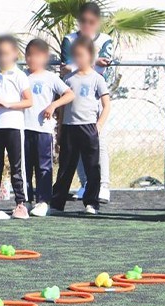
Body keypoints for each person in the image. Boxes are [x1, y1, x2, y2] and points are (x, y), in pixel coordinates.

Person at [60, 1, 114, 204]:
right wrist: (92, 61)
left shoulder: (105, 39)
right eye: (83, 21)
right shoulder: (70, 39)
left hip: (95, 95)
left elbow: (104, 65)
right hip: (74, 96)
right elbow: (66, 67)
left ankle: (103, 185)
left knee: (99, 141)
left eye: (91, 22)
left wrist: (83, 63)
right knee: (77, 145)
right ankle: (85, 184)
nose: (87, 26)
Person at [51, 36, 111, 215]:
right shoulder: (68, 79)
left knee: (92, 167)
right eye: (76, 55)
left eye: (82, 55)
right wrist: (60, 128)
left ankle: (91, 203)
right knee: (65, 167)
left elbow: (106, 105)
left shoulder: (97, 79)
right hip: (70, 127)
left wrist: (98, 125)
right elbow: (62, 107)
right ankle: (57, 204)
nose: (79, 59)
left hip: (89, 127)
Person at [0, 35, 33, 220]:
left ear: (15, 54)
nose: (3, 57)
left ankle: (20, 204)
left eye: (7, 53)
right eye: (0, 53)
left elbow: (28, 101)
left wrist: (8, 104)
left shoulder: (19, 76)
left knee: (16, 167)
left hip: (14, 127)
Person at [24, 38, 75, 217]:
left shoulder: (50, 77)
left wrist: (53, 105)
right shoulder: (21, 76)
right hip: (23, 129)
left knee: (43, 167)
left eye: (36, 55)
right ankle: (25, 201)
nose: (31, 59)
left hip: (43, 130)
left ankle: (43, 201)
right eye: (28, 55)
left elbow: (69, 94)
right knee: (24, 167)